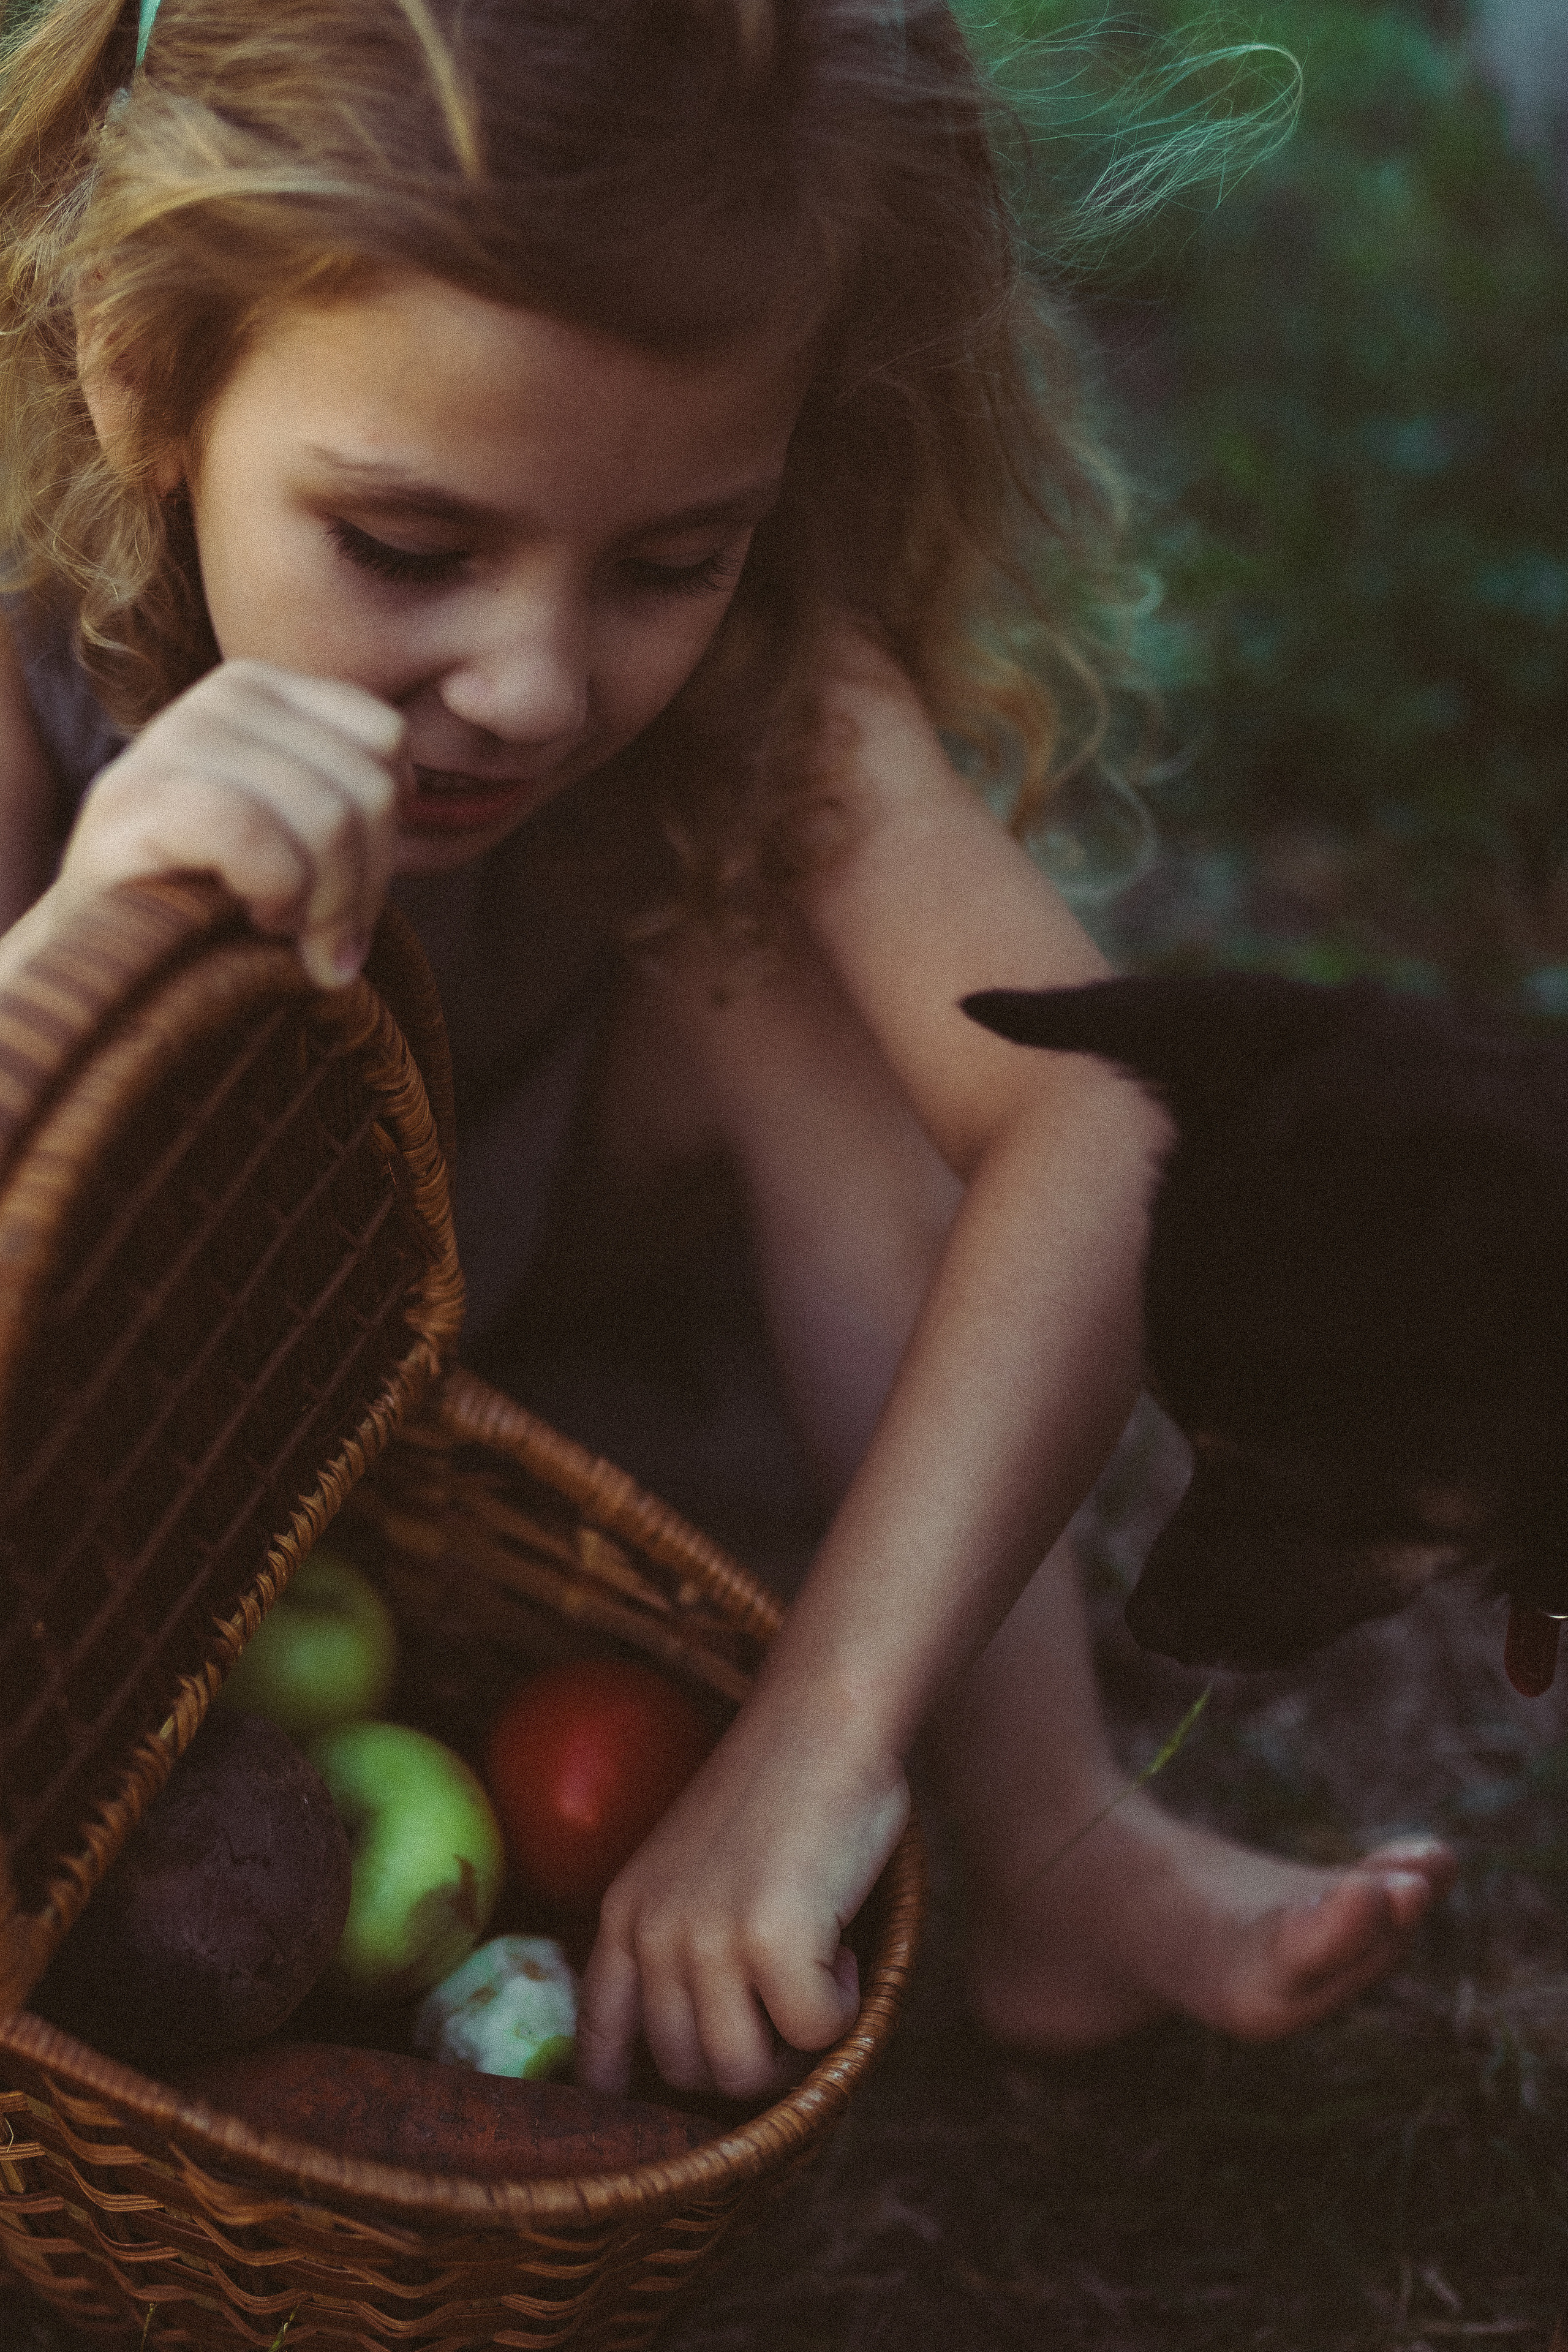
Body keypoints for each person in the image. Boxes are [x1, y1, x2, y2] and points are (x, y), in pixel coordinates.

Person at [0, 0, 1453, 2098]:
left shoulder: (749, 679)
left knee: (776, 959)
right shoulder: (33, 633)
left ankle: (1050, 1841)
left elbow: (1113, 1104)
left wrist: (811, 1751)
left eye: (672, 556)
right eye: (408, 550)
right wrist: (94, 920)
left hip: (518, 1389)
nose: (530, 681)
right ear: (146, 375)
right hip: (115, 1436)